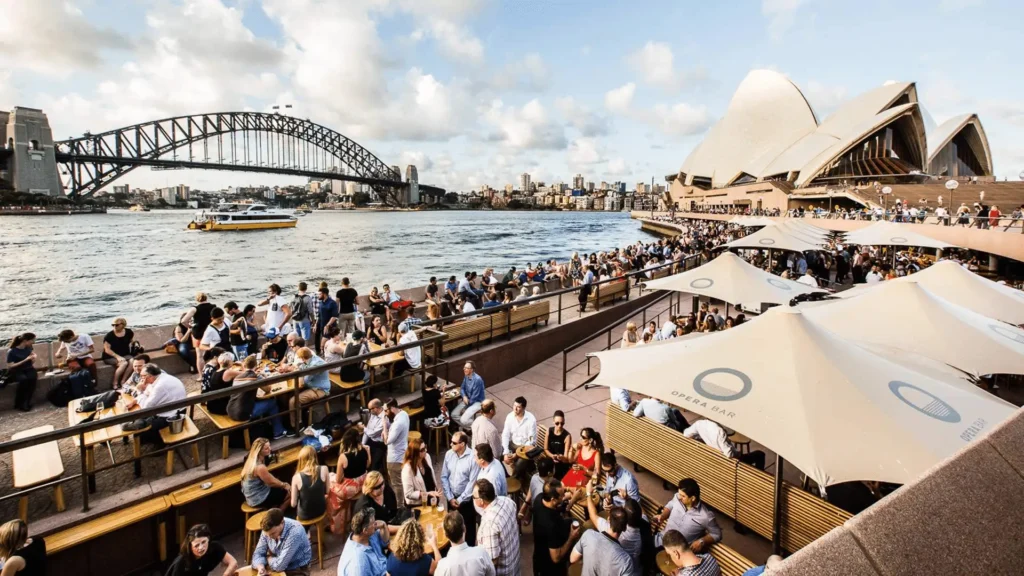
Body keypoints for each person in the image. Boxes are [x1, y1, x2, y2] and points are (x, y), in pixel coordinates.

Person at [124, 364, 187, 449]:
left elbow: (146, 407)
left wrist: (139, 391)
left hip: (174, 416)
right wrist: (135, 400)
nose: (141, 378)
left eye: (142, 376)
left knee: (141, 432)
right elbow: (147, 393)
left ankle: (160, 443)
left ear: (149, 376)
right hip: (169, 409)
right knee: (140, 430)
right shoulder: (158, 377)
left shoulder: (160, 385)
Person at [226, 355, 286, 439]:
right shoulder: (255, 376)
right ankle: (278, 431)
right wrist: (263, 376)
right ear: (256, 365)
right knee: (272, 403)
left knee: (264, 402)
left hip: (231, 410)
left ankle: (269, 423)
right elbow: (268, 389)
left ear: (244, 366)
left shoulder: (237, 377)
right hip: (243, 413)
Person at [654, 479, 721, 552]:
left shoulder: (706, 516)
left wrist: (701, 541)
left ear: (692, 498)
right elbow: (670, 506)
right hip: (660, 540)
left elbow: (716, 534)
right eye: (679, 494)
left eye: (683, 496)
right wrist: (662, 516)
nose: (679, 497)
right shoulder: (677, 497)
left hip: (678, 553)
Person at [532, 479, 581, 576]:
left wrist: (569, 498)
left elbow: (555, 507)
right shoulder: (551, 524)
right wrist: (571, 537)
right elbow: (556, 557)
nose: (564, 496)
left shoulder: (539, 498)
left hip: (538, 558)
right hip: (550, 570)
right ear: (553, 500)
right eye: (562, 495)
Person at [569, 505, 635, 576]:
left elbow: (573, 559)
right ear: (625, 528)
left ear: (608, 519)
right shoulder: (626, 561)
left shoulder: (589, 535)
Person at [328, 427, 371, 534]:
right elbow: (368, 465)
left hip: (350, 489)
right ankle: (345, 517)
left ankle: (337, 524)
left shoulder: (343, 457)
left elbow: (338, 479)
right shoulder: (364, 450)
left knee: (329, 488)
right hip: (363, 484)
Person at [440, 432, 481, 545]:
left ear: (462, 444)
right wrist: (450, 497)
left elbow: (472, 483)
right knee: (452, 529)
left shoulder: (472, 458)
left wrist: (460, 500)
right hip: (452, 498)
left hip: (466, 501)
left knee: (469, 532)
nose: (450, 444)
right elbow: (444, 477)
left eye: (453, 443)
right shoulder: (449, 454)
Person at [474, 479, 521, 576]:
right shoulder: (507, 501)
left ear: (481, 501)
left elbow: (492, 560)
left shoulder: (489, 524)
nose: (473, 499)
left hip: (504, 572)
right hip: (515, 564)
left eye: (474, 497)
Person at [683, 419, 766, 470]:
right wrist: (738, 453)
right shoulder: (719, 431)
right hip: (728, 461)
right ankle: (760, 477)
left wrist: (700, 439)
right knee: (760, 454)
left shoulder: (700, 424)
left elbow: (686, 434)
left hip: (712, 455)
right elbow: (729, 454)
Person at [251, 508, 312, 576]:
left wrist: (268, 558)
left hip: (297, 569)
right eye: (267, 535)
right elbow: (258, 554)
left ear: (282, 522)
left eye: (273, 533)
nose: (270, 537)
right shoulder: (267, 530)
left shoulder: (295, 532)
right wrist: (260, 568)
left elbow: (279, 567)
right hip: (276, 563)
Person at [435, 511, 495, 576]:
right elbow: (492, 574)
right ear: (465, 529)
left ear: (446, 536)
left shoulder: (442, 567)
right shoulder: (481, 554)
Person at [165, 523, 237, 576]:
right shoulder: (181, 563)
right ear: (190, 546)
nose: (201, 548)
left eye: (203, 542)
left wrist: (226, 574)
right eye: (196, 545)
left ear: (208, 539)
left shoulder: (214, 547)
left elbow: (233, 562)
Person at [240, 438, 292, 511]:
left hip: (251, 496)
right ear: (259, 451)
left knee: (278, 486)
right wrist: (285, 485)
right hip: (258, 498)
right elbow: (271, 482)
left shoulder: (250, 460)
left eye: (269, 446)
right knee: (291, 493)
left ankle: (274, 510)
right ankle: (276, 517)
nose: (270, 449)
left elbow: (269, 478)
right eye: (266, 449)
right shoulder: (259, 467)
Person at [287, 347, 332, 430]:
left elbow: (304, 381)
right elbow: (303, 369)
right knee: (287, 395)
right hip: (312, 386)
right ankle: (295, 418)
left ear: (303, 358)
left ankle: (297, 426)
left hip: (319, 390)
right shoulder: (310, 360)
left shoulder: (315, 365)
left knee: (293, 401)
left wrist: (297, 371)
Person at [337, 507, 389, 576]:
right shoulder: (358, 562)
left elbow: (385, 542)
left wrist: (383, 525)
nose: (376, 524)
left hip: (385, 569)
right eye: (373, 523)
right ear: (365, 530)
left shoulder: (366, 535)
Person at [501, 396, 537, 481]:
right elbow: (505, 435)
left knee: (519, 465)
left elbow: (531, 440)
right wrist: (505, 452)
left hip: (525, 447)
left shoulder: (531, 420)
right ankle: (506, 477)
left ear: (524, 408)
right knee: (497, 455)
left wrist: (517, 454)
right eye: (514, 406)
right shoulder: (510, 417)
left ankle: (513, 482)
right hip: (513, 444)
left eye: (518, 407)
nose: (515, 409)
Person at [383, 398, 411, 506]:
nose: (385, 414)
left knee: (397, 485)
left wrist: (385, 427)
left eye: (386, 410)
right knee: (403, 482)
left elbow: (387, 441)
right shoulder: (403, 414)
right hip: (403, 454)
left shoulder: (397, 423)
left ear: (392, 408)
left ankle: (400, 507)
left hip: (394, 459)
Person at [291, 446, 329, 523]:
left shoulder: (296, 477)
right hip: (321, 510)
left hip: (304, 515)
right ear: (315, 456)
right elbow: (328, 491)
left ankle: (306, 530)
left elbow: (293, 504)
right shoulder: (324, 469)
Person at [182, 293, 216, 375]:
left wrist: (189, 327)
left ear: (197, 299)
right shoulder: (213, 307)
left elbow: (183, 321)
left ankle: (201, 376)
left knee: (199, 356)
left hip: (198, 333)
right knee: (215, 352)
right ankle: (214, 372)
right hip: (211, 331)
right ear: (206, 298)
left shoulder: (195, 309)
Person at [401, 437, 441, 507]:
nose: (426, 450)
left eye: (425, 447)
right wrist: (427, 494)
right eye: (422, 450)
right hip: (419, 504)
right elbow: (408, 494)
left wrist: (435, 489)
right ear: (415, 453)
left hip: (432, 498)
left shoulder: (427, 457)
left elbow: (431, 475)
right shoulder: (407, 469)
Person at [5, 334, 38, 412]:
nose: (33, 342)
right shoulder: (12, 351)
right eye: (32, 340)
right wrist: (26, 360)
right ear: (25, 341)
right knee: (23, 380)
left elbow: (31, 360)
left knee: (32, 378)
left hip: (28, 368)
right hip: (16, 370)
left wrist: (34, 358)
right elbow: (10, 365)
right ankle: (19, 403)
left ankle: (26, 402)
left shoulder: (28, 348)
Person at [102, 317, 137, 388]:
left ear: (123, 325)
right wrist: (117, 357)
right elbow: (107, 350)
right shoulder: (109, 336)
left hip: (125, 354)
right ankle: (115, 383)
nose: (114, 326)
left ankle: (123, 381)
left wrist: (136, 345)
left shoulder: (129, 332)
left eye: (116, 325)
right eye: (113, 325)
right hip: (110, 356)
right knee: (123, 363)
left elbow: (131, 341)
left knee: (132, 361)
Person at [452, 361, 485, 428]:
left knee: (463, 420)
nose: (464, 369)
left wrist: (466, 408)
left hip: (477, 402)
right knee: (453, 414)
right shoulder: (466, 376)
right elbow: (462, 388)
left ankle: (478, 427)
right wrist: (464, 396)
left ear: (471, 370)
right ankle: (471, 428)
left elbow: (474, 397)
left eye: (466, 368)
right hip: (467, 399)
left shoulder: (477, 380)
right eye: (464, 367)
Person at [544, 411, 573, 479]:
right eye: (557, 423)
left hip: (560, 463)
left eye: (562, 423)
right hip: (550, 458)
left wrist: (560, 457)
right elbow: (545, 449)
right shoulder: (549, 431)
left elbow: (566, 458)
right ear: (553, 422)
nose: (560, 425)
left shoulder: (567, 436)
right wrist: (552, 456)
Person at [362, 398, 387, 473]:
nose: (369, 411)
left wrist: (363, 428)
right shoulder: (373, 414)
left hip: (380, 444)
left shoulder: (384, 417)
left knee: (374, 466)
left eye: (370, 409)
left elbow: (373, 433)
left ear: (376, 408)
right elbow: (368, 430)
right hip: (371, 441)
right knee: (361, 458)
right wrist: (363, 444)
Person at [315, 286, 339, 353]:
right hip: (322, 325)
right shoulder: (321, 303)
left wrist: (327, 325)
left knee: (323, 343)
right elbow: (319, 315)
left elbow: (334, 316)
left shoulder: (332, 303)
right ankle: (326, 354)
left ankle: (326, 354)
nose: (318, 296)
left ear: (324, 294)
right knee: (326, 344)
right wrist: (316, 324)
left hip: (330, 327)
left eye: (320, 294)